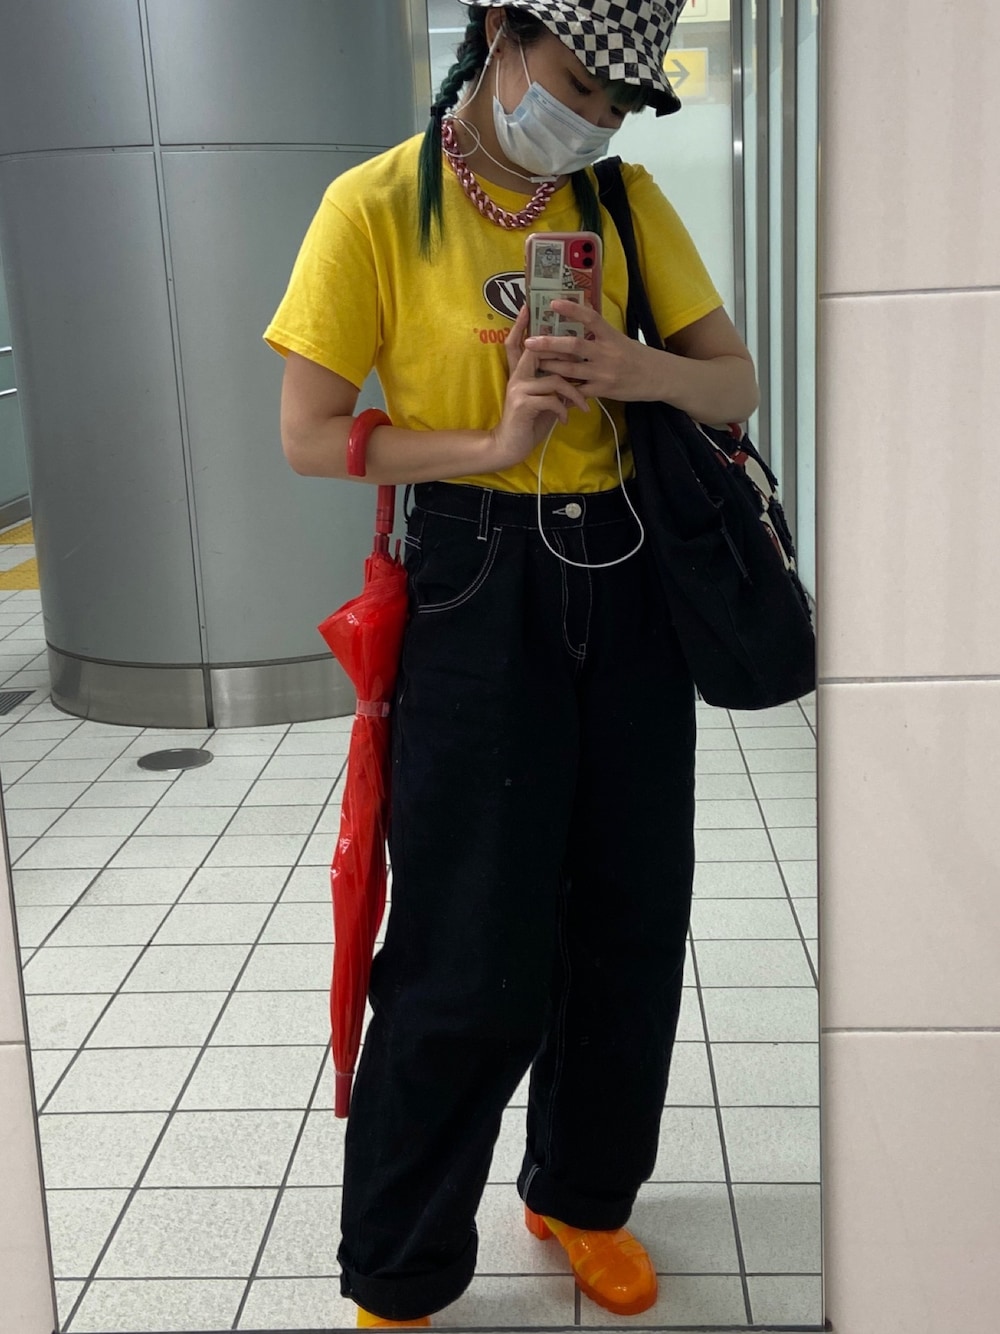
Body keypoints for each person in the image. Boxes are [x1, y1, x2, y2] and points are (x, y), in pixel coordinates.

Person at [264, 2, 759, 1327]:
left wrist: (638, 368)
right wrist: (486, 445)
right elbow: (309, 434)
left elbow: (735, 386)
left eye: (618, 101)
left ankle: (582, 1195)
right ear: (500, 33)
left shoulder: (623, 202)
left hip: (630, 578)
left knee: (630, 917)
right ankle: (401, 1266)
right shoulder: (377, 206)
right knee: (465, 941)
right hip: (475, 579)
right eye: (579, 83)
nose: (592, 119)